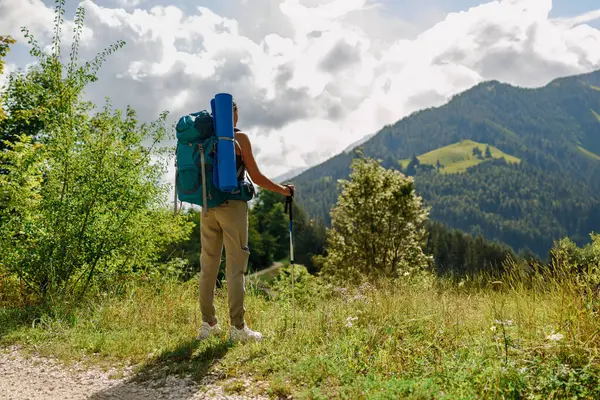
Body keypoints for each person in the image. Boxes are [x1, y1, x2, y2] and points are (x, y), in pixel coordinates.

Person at [196, 99, 295, 343]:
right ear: (234, 116)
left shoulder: (203, 140)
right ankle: (238, 328)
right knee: (235, 268)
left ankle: (208, 325)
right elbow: (257, 177)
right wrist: (284, 190)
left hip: (207, 207)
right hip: (232, 207)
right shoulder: (239, 139)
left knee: (208, 267)